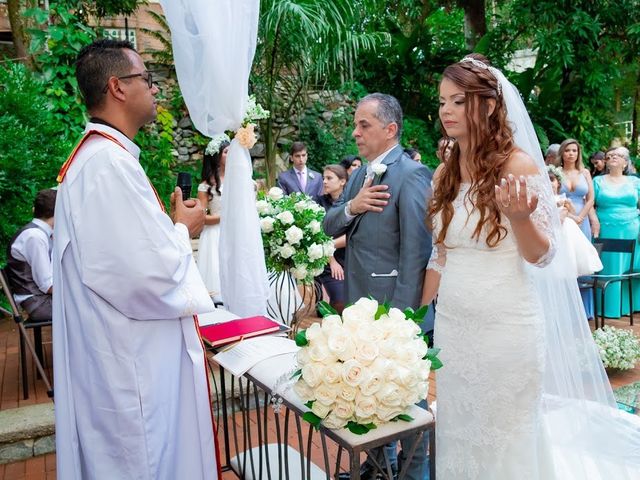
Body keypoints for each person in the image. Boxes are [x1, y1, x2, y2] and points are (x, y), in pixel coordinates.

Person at [422, 53, 640, 479]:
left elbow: (543, 256)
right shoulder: (443, 174)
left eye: (458, 101)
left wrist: (521, 219)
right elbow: (440, 255)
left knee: (505, 433)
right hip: (454, 326)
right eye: (442, 101)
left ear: (486, 105)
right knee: (461, 427)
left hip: (507, 325)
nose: (446, 110)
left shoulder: (517, 165)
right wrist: (414, 315)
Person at [52, 39, 219, 480]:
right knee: (147, 460)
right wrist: (185, 229)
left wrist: (171, 229)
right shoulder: (106, 165)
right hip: (132, 364)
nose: (154, 89)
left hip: (122, 349)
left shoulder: (104, 159)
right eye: (146, 79)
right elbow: (144, 275)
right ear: (118, 87)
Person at [325, 93, 432, 480]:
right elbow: (329, 225)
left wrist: (405, 321)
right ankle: (377, 467)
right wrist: (352, 206)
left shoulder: (412, 174)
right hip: (359, 309)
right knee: (370, 395)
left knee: (409, 400)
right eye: (355, 125)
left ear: (390, 129)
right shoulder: (357, 175)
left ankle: (415, 473)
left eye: (363, 125)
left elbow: (417, 252)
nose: (355, 133)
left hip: (395, 311)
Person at [593, 147, 640, 318]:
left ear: (625, 163)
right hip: (606, 227)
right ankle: (609, 307)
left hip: (632, 228)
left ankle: (631, 306)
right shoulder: (597, 181)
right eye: (609, 156)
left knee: (630, 265)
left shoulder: (635, 182)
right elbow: (591, 204)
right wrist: (594, 221)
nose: (612, 157)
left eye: (617, 155)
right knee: (610, 265)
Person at [558, 138, 596, 319]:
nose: (571, 153)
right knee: (566, 260)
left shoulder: (585, 172)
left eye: (574, 150)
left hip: (582, 220)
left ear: (578, 153)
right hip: (564, 219)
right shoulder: (555, 173)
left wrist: (581, 217)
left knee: (582, 261)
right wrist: (571, 216)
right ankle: (567, 310)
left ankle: (585, 311)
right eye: (567, 150)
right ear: (562, 153)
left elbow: (590, 199)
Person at [6, 189, 57, 321]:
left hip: (40, 300)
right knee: (90, 308)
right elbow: (48, 285)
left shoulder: (39, 233)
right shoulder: (35, 237)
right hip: (39, 303)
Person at [197, 133, 229, 304]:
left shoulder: (237, 178)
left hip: (233, 233)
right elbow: (201, 217)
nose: (230, 155)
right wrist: (223, 217)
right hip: (214, 235)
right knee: (216, 274)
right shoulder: (206, 185)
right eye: (226, 152)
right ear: (216, 156)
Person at [316, 165, 348, 312]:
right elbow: (316, 235)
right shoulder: (318, 203)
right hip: (329, 261)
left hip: (351, 258)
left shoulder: (352, 203)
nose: (324, 181)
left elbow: (354, 235)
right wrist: (332, 260)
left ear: (342, 181)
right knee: (340, 304)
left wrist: (331, 244)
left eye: (329, 178)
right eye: (324, 178)